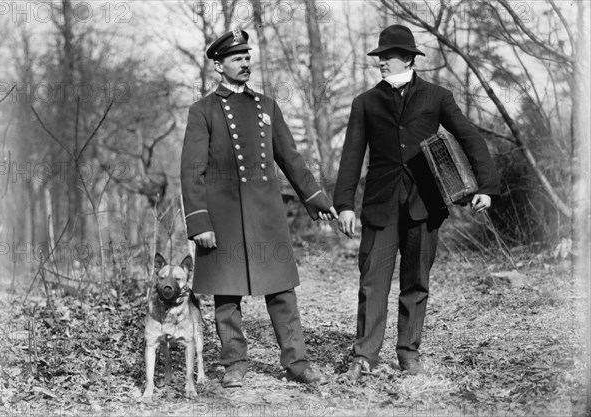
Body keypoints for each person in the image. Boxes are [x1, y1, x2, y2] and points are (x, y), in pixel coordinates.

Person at [333, 24, 500, 379]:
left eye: (387, 56)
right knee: (372, 282)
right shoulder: (365, 102)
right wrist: (345, 203)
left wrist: (486, 185)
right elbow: (351, 154)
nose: (380, 62)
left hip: (426, 204)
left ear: (407, 58)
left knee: (416, 281)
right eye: (378, 56)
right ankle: (364, 356)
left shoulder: (437, 96)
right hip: (379, 205)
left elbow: (469, 137)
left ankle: (408, 353)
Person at [181, 29, 337, 388]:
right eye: (237, 58)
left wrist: (316, 199)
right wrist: (199, 222)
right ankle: (234, 362)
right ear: (219, 66)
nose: (245, 63)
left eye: (247, 57)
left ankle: (297, 362)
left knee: (282, 292)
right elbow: (191, 172)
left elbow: (291, 159)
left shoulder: (266, 106)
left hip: (266, 217)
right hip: (223, 219)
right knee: (227, 294)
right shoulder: (202, 111)